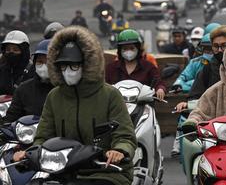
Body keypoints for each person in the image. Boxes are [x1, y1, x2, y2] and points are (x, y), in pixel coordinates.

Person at [13, 26, 137, 185]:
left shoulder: (110, 95)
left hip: (106, 171)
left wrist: (119, 150)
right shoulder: (54, 96)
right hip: (63, 171)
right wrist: (29, 154)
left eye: (74, 66)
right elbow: (43, 137)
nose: (68, 71)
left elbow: (124, 135)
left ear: (87, 64)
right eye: (63, 67)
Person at [2, 39, 54, 123]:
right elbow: (11, 119)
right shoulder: (23, 89)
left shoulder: (66, 89)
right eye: (40, 62)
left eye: (49, 62)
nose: (44, 66)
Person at [105, 29, 166, 100]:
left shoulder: (148, 66)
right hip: (117, 106)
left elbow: (158, 81)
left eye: (131, 48)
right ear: (120, 50)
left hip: (142, 105)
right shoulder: (111, 67)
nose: (128, 51)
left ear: (138, 49)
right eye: (125, 48)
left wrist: (160, 89)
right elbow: (104, 85)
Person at [187, 25, 226, 101]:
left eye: (224, 45)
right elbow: (194, 96)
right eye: (216, 46)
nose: (220, 50)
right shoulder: (208, 69)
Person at [0, 30, 33, 95]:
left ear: (24, 51)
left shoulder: (33, 71)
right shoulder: (1, 70)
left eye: (15, 49)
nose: (11, 52)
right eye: (8, 49)